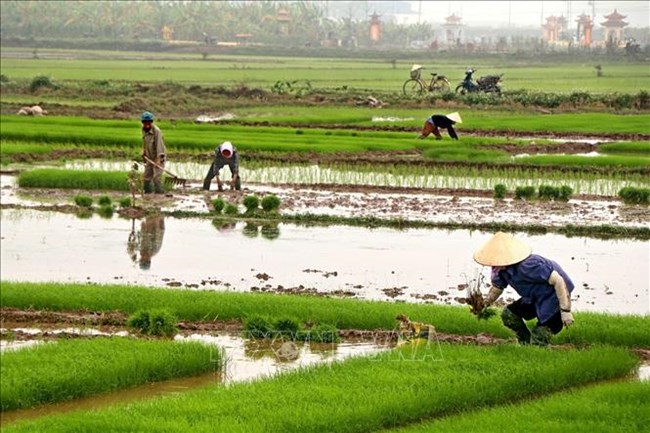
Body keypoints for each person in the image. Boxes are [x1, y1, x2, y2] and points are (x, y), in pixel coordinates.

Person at [473, 231, 575, 346]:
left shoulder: (528, 265)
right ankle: (525, 343)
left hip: (553, 296)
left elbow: (559, 281)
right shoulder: (500, 270)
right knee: (509, 315)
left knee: (539, 336)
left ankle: (537, 352)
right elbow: (497, 287)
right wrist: (484, 304)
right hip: (533, 297)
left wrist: (565, 311)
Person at [140, 111, 166, 194]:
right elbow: (145, 142)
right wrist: (144, 152)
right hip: (149, 157)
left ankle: (159, 194)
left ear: (151, 122)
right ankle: (147, 193)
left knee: (156, 177)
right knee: (146, 177)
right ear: (143, 123)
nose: (147, 124)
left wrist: (158, 160)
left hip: (159, 157)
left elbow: (160, 145)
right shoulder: (144, 130)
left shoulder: (156, 131)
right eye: (145, 122)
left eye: (149, 122)